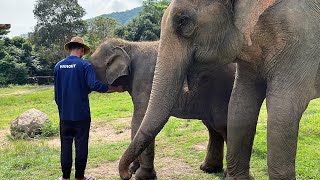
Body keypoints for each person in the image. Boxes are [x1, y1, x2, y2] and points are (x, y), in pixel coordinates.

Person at [54, 37, 120, 180]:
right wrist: (115, 88)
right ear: (82, 49)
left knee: (65, 146)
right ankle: (80, 177)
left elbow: (57, 95)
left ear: (71, 48)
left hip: (64, 116)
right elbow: (94, 85)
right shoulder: (84, 65)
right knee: (81, 146)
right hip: (82, 116)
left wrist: (63, 109)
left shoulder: (58, 66)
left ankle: (65, 178)